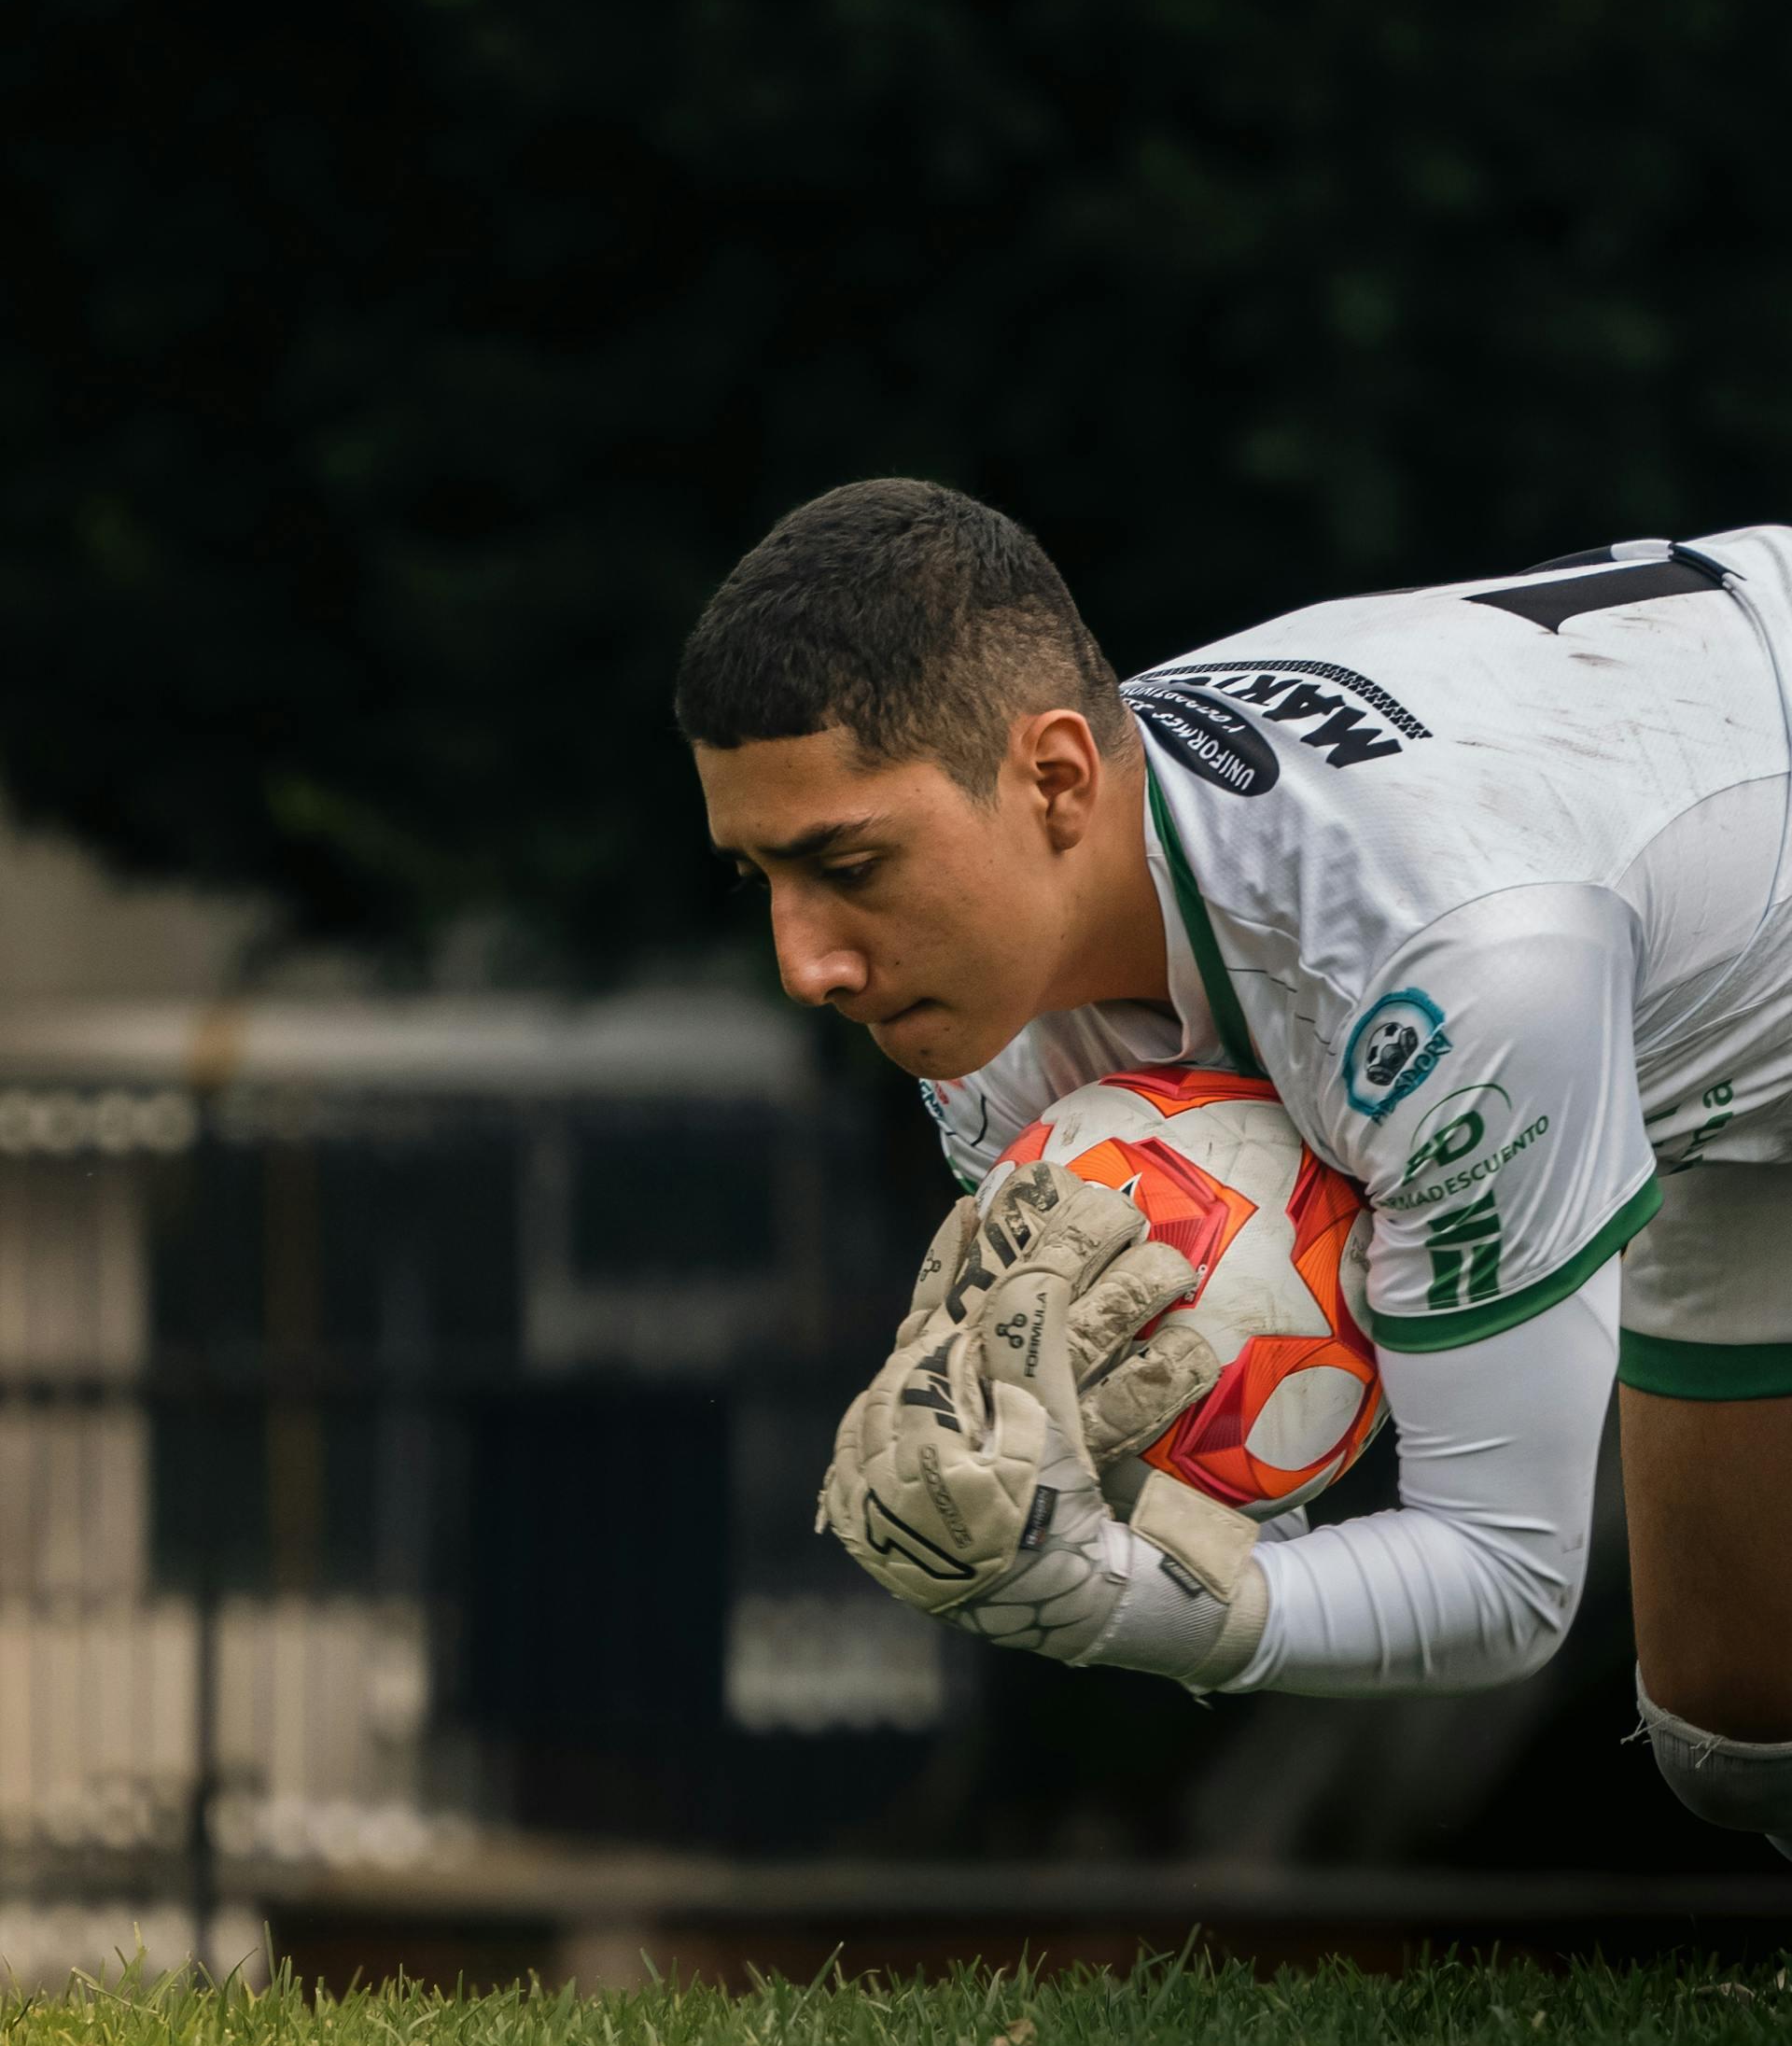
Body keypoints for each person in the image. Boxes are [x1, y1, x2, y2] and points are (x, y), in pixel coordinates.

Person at [677, 478, 1792, 1862]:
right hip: (1718, 1017)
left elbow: (1505, 1576)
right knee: (1740, 1730)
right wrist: (1018, 1483)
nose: (806, 963)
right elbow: (1224, 1447)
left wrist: (1099, 1594)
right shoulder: (987, 982)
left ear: (1060, 779)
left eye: (848, 865)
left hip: (1662, 901)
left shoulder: (1444, 965)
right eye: (762, 879)